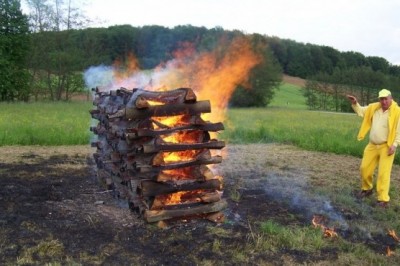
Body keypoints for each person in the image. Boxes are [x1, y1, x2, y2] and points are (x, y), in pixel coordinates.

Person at [347, 89, 400, 208]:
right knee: (364, 168)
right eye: (382, 99)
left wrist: (395, 144)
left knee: (383, 174)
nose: (384, 101)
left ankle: (383, 199)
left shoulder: (397, 112)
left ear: (391, 98)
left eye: (386, 98)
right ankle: (367, 189)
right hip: (372, 145)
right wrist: (355, 103)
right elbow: (361, 112)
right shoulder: (374, 108)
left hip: (387, 146)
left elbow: (399, 131)